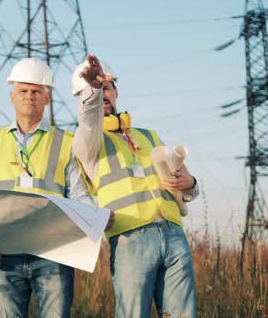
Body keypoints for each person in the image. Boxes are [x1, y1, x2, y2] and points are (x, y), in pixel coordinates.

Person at [0, 58, 106, 318]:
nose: (29, 97)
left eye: (36, 92)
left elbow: (78, 194)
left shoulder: (66, 141)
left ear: (47, 99)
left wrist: (95, 222)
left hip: (53, 250)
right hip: (3, 253)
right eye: (23, 91)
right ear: (12, 97)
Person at [71, 54, 200, 318]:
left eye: (106, 87)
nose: (102, 94)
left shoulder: (149, 136)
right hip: (130, 240)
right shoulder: (87, 143)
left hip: (173, 234)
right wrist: (92, 89)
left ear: (116, 90)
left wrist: (191, 184)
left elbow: (184, 182)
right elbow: (88, 121)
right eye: (95, 90)